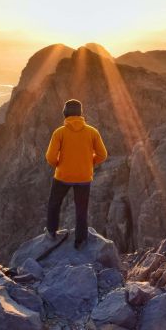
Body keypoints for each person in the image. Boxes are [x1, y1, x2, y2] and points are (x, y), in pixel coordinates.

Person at [44, 98, 108, 248]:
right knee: (81, 209)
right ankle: (80, 240)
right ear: (80, 114)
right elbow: (103, 155)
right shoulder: (92, 132)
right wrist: (89, 162)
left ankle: (51, 232)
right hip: (84, 177)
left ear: (65, 113)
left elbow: (50, 157)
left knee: (54, 203)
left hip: (62, 176)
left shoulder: (59, 132)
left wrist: (59, 165)